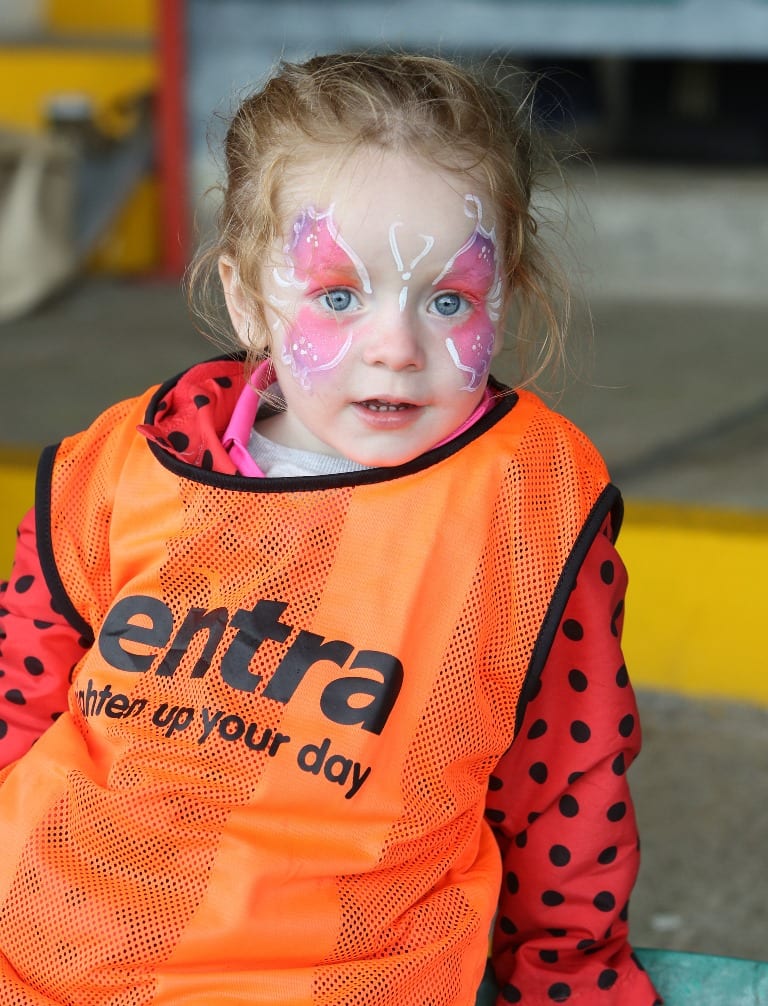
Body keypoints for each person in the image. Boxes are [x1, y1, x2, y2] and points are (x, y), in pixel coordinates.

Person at [0, 52, 661, 1005]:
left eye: (448, 300)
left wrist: (571, 977)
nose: (395, 347)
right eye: (339, 296)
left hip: (339, 981)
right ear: (246, 299)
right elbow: (19, 708)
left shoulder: (528, 511)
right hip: (42, 952)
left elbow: (567, 782)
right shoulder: (120, 463)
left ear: (505, 297)